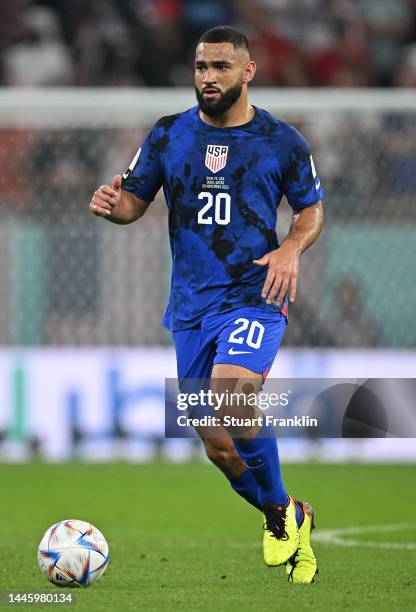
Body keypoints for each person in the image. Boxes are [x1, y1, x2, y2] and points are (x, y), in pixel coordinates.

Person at [90, 25, 324, 584]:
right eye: (200, 67)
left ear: (248, 72)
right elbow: (133, 204)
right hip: (192, 305)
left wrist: (292, 246)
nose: (208, 77)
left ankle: (278, 517)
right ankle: (286, 512)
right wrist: (111, 203)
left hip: (256, 293)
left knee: (233, 395)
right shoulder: (169, 135)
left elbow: (310, 210)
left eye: (220, 67)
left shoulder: (282, 140)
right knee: (218, 446)